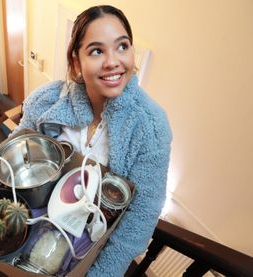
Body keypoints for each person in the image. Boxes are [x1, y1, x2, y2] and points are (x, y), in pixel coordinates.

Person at [14, 5, 172, 276]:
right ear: (76, 61)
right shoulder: (46, 102)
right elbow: (17, 159)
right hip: (30, 229)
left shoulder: (151, 127)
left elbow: (139, 220)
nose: (113, 61)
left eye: (122, 46)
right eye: (97, 51)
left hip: (90, 250)